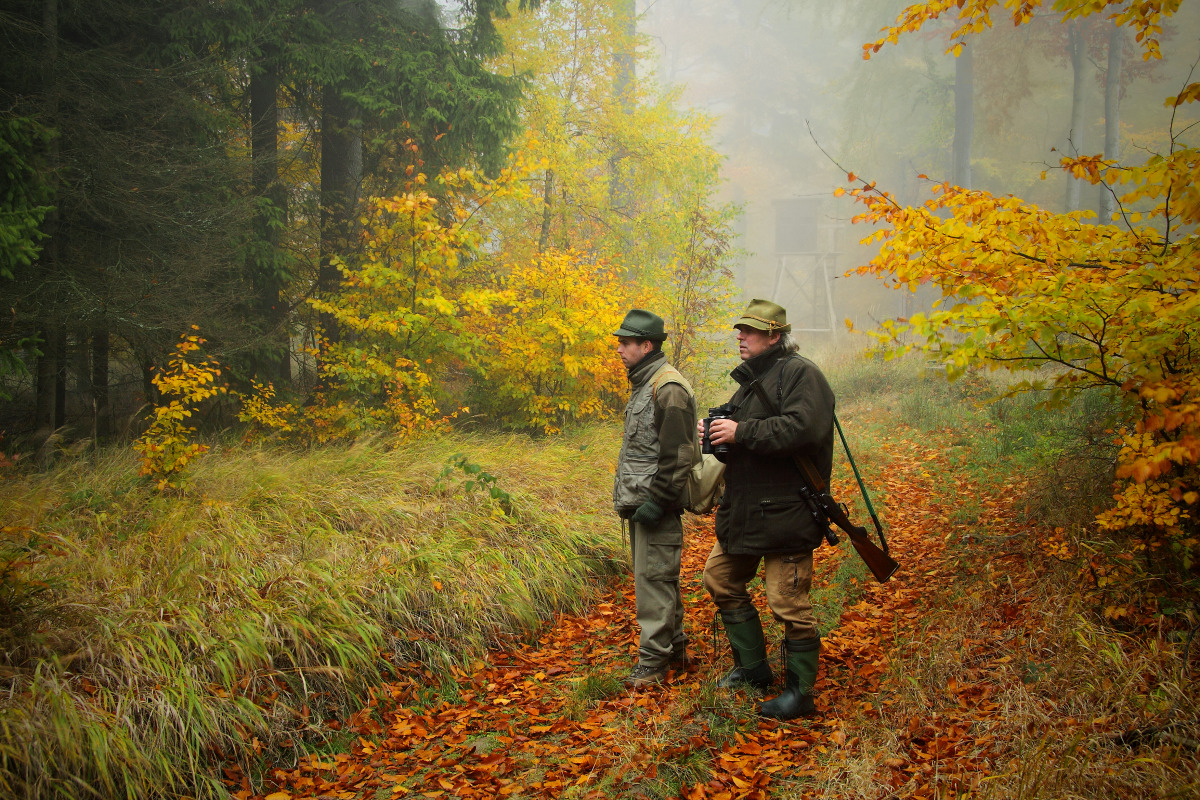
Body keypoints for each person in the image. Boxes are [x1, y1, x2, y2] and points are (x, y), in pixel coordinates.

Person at [699, 298, 835, 719]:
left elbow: (804, 430)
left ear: (775, 335)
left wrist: (742, 431)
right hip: (745, 510)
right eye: (740, 329)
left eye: (750, 330)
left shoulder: (801, 374)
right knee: (720, 579)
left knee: (786, 601)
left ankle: (800, 693)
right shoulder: (751, 381)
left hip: (787, 512)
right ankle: (753, 669)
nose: (740, 336)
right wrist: (719, 438)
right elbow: (744, 447)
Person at [612, 309, 698, 688]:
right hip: (643, 503)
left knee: (654, 582)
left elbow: (678, 455)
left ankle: (653, 664)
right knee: (658, 577)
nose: (619, 349)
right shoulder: (646, 383)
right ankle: (674, 649)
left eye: (625, 343)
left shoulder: (667, 388)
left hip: (654, 505)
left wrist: (658, 501)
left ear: (646, 346)